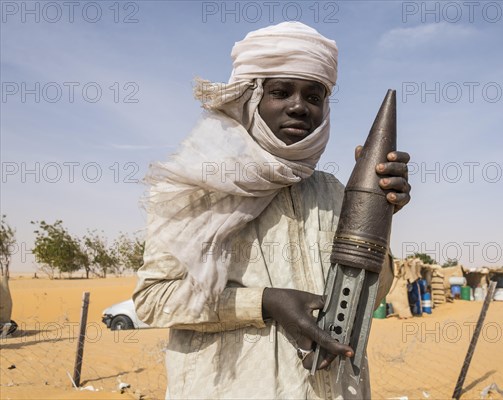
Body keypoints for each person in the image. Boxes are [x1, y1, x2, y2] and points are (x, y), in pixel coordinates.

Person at [133, 21, 411, 399]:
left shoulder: (333, 192)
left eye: (314, 97)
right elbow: (155, 300)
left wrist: (379, 215)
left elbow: (367, 301)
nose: (299, 107)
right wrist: (265, 303)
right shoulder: (196, 186)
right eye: (281, 92)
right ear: (251, 97)